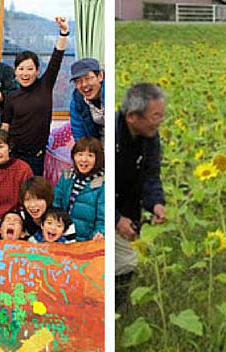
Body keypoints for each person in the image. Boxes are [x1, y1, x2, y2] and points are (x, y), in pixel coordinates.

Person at [115, 83, 166, 307]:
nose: (160, 121)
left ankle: (118, 310)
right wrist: (116, 219)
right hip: (105, 208)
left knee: (126, 262)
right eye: (155, 116)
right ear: (132, 117)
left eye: (161, 115)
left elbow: (151, 174)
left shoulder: (150, 136)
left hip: (129, 206)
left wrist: (156, 203)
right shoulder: (111, 135)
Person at [1, 16, 70, 176]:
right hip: (14, 154)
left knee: (34, 190)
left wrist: (64, 32)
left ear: (37, 70)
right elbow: (5, 126)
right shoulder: (11, 96)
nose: (25, 73)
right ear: (15, 71)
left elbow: (57, 57)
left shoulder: (45, 85)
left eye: (30, 69)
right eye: (21, 69)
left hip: (36, 156)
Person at [53, 136, 104, 241]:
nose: (84, 159)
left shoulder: (102, 184)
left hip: (87, 241)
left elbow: (103, 219)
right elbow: (55, 205)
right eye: (80, 154)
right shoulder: (67, 176)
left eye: (90, 155)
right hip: (62, 237)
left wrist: (100, 233)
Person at [69, 58, 104, 144]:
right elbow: (79, 133)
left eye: (88, 78)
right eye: (78, 81)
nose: (84, 84)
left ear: (100, 76)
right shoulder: (77, 101)